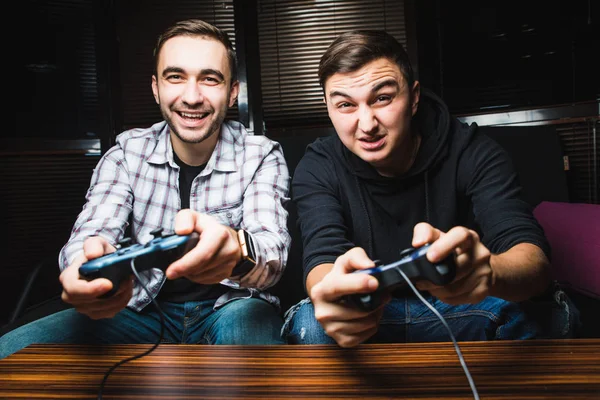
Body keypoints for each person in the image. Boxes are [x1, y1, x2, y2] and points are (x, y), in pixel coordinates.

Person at [1, 19, 291, 359]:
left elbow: (274, 253)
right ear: (156, 88)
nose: (192, 97)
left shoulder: (261, 153)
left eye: (210, 79)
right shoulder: (126, 153)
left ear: (232, 92)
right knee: (11, 352)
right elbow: (90, 234)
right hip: (140, 310)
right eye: (175, 77)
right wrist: (86, 271)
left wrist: (236, 251)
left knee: (259, 361)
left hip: (231, 307)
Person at [282, 30, 580, 347]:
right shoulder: (318, 164)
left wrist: (488, 272)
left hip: (465, 307)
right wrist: (333, 295)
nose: (367, 124)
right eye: (345, 105)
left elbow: (532, 259)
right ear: (328, 108)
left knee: (547, 315)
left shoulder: (473, 150)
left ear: (414, 98)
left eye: (382, 98)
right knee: (313, 324)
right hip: (372, 316)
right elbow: (321, 259)